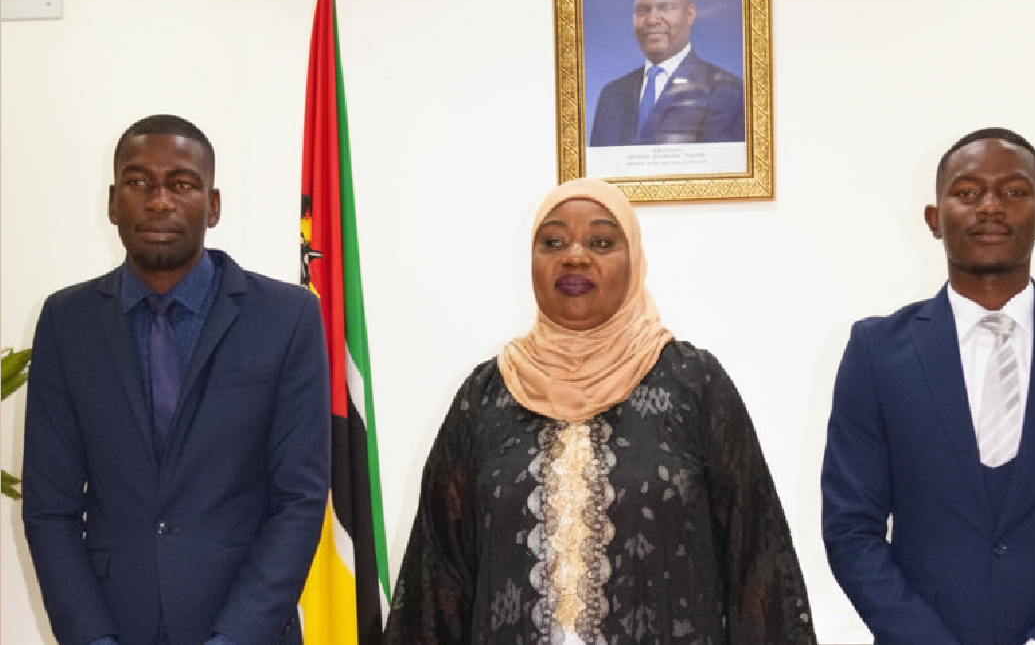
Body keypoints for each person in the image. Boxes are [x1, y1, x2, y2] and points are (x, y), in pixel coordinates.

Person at [384, 178, 814, 645]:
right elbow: (436, 581)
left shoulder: (694, 385)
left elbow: (758, 563)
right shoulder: (486, 396)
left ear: (634, 263)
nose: (574, 256)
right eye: (552, 242)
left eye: (602, 242)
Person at [821, 128, 1035, 645]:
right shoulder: (875, 352)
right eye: (967, 191)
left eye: (1014, 192)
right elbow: (850, 528)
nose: (991, 207)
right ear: (934, 219)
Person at [22, 114, 331, 645]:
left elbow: (299, 499)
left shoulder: (287, 317)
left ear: (212, 205)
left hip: (246, 627)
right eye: (139, 182)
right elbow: (50, 507)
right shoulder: (65, 321)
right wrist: (91, 638)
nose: (159, 200)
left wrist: (235, 638)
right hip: (113, 626)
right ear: (113, 201)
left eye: (182, 183)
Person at [589, 0, 745, 147]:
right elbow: (599, 173)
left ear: (690, 14)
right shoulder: (611, 96)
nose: (652, 19)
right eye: (642, 10)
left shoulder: (728, 93)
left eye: (665, 7)